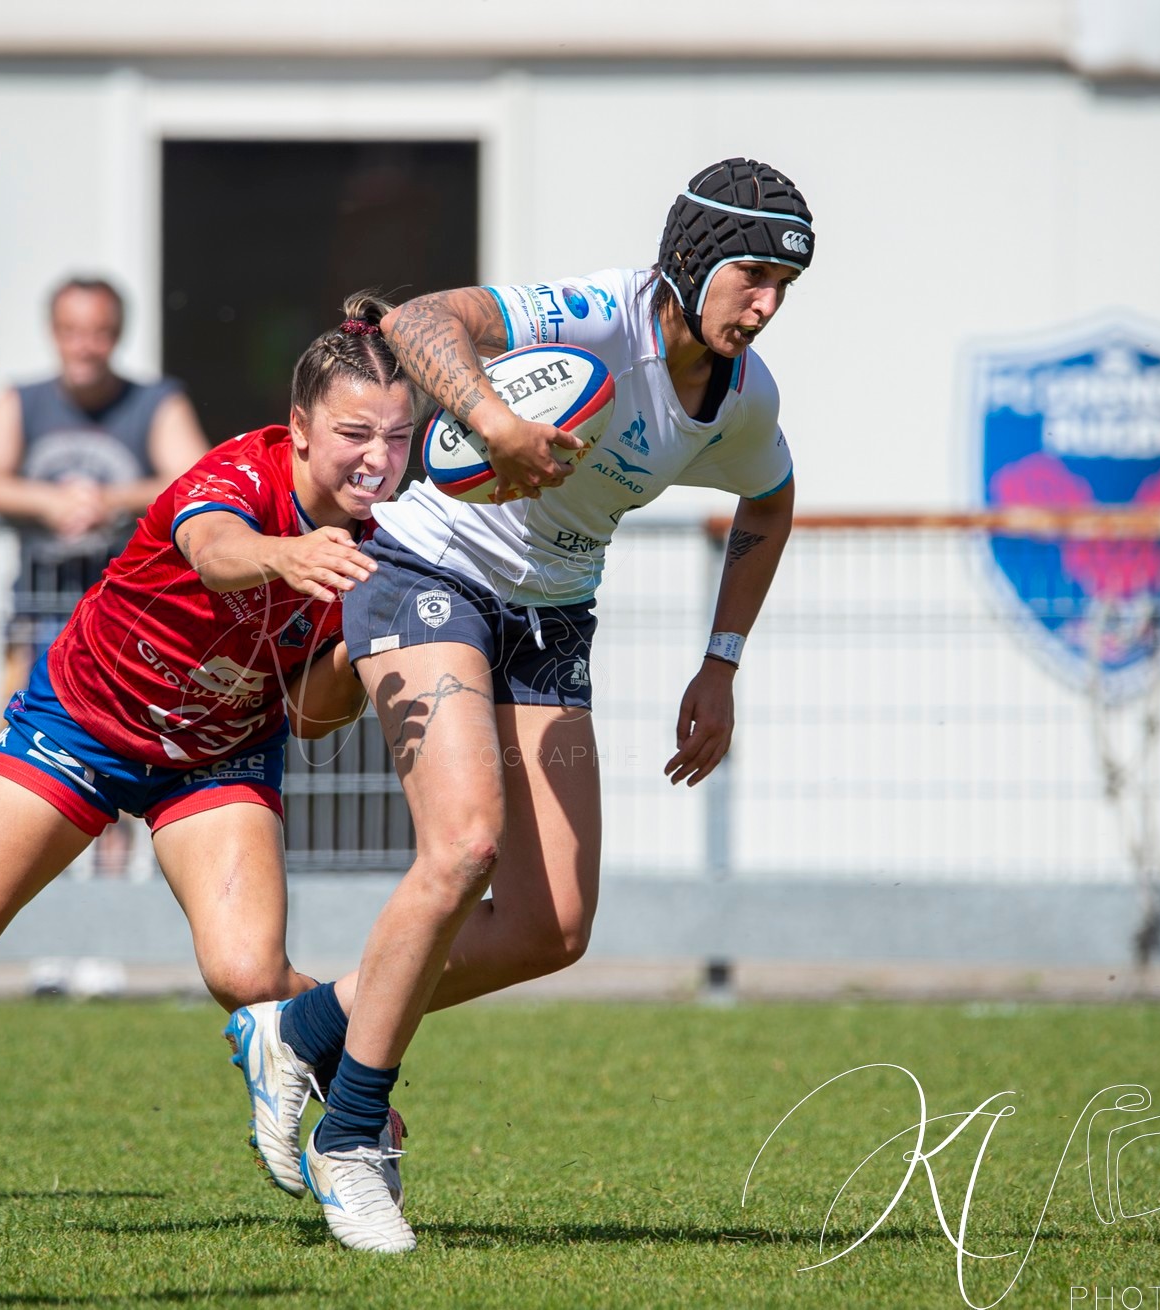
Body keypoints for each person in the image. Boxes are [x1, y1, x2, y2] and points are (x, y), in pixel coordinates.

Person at [222, 158, 812, 1253]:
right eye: (752, 274)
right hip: (427, 573)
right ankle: (351, 1136)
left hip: (554, 618)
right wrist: (492, 419)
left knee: (554, 926)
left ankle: (300, 1027)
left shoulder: (744, 396)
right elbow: (416, 320)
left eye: (787, 282)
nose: (768, 303)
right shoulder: (597, 314)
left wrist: (722, 660)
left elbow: (771, 502)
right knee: (463, 845)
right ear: (692, 257)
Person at [0, 298, 412, 1188]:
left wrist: (364, 641)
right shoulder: (239, 474)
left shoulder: (391, 541)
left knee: (248, 973)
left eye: (399, 437)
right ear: (301, 430)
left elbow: (316, 717)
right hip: (79, 727)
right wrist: (288, 556)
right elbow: (213, 552)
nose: (379, 458)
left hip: (216, 755)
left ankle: (349, 1108)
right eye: (356, 432)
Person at [0, 277, 210, 877]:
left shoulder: (156, 401)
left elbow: (198, 474)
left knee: (120, 759)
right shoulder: (25, 399)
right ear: (54, 334)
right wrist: (48, 502)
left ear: (117, 335)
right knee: (24, 763)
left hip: (127, 618)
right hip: (38, 615)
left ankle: (107, 918)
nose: (86, 346)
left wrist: (111, 498)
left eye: (99, 332)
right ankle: (33, 911)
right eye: (73, 332)